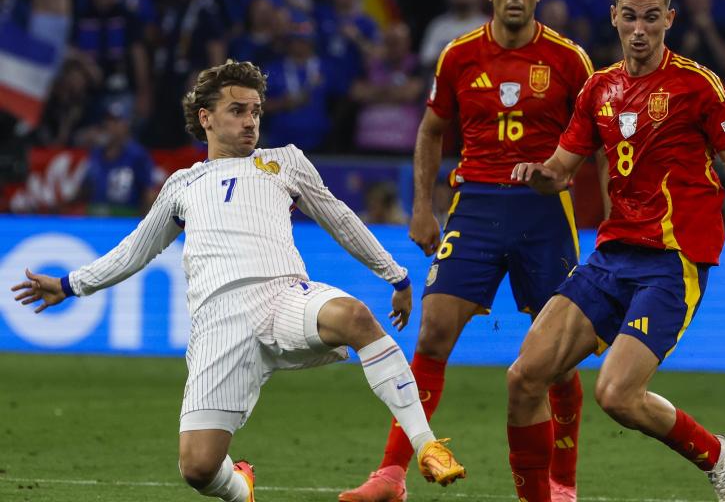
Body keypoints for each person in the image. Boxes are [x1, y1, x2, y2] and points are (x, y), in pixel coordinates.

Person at [11, 60, 465, 502]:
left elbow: (339, 218)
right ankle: (239, 486)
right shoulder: (183, 185)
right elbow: (134, 250)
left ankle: (426, 445)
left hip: (282, 297)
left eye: (256, 111)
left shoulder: (283, 162)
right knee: (198, 467)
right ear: (206, 118)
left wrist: (395, 274)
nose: (251, 122)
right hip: (217, 325)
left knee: (355, 316)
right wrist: (71, 284)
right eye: (238, 111)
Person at [506, 0, 725, 502]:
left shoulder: (698, 85)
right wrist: (539, 174)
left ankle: (719, 454)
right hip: (612, 253)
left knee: (615, 394)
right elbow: (561, 169)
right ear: (615, 17)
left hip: (673, 258)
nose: (640, 29)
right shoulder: (599, 89)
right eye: (631, 16)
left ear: (670, 20)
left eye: (652, 18)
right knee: (524, 376)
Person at [339, 0, 594, 502]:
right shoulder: (458, 55)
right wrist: (423, 206)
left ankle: (562, 484)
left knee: (556, 359)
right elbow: (432, 130)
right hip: (474, 205)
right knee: (431, 333)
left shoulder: (570, 60)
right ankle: (391, 475)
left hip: (545, 209)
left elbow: (598, 136)